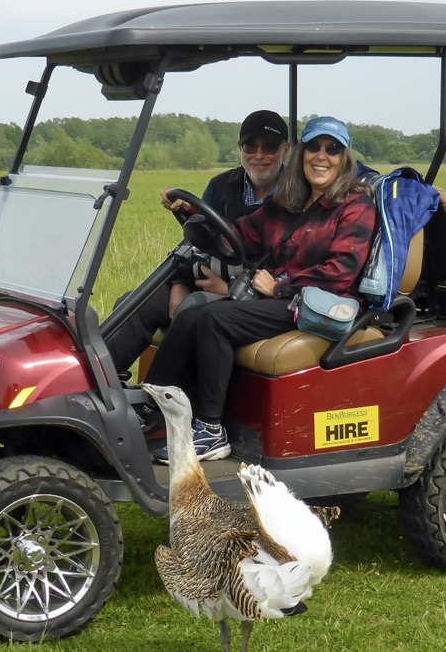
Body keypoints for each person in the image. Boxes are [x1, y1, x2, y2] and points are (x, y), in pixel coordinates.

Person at [144, 116, 376, 461]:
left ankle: (210, 429)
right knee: (193, 315)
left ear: (344, 159)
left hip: (320, 306)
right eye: (313, 147)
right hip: (286, 299)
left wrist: (279, 286)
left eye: (333, 149)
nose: (321, 156)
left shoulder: (355, 204)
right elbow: (241, 235)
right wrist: (194, 213)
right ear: (300, 154)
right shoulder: (290, 200)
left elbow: (340, 273)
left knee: (215, 319)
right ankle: (153, 411)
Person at [104, 110, 290, 374]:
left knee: (194, 313)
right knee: (133, 303)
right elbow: (196, 240)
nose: (259, 155)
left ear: (285, 149)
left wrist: (227, 289)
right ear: (240, 147)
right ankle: (98, 386)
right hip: (208, 279)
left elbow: (292, 263)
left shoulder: (296, 194)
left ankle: (166, 402)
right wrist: (180, 283)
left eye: (269, 147)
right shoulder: (222, 185)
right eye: (250, 145)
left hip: (258, 297)